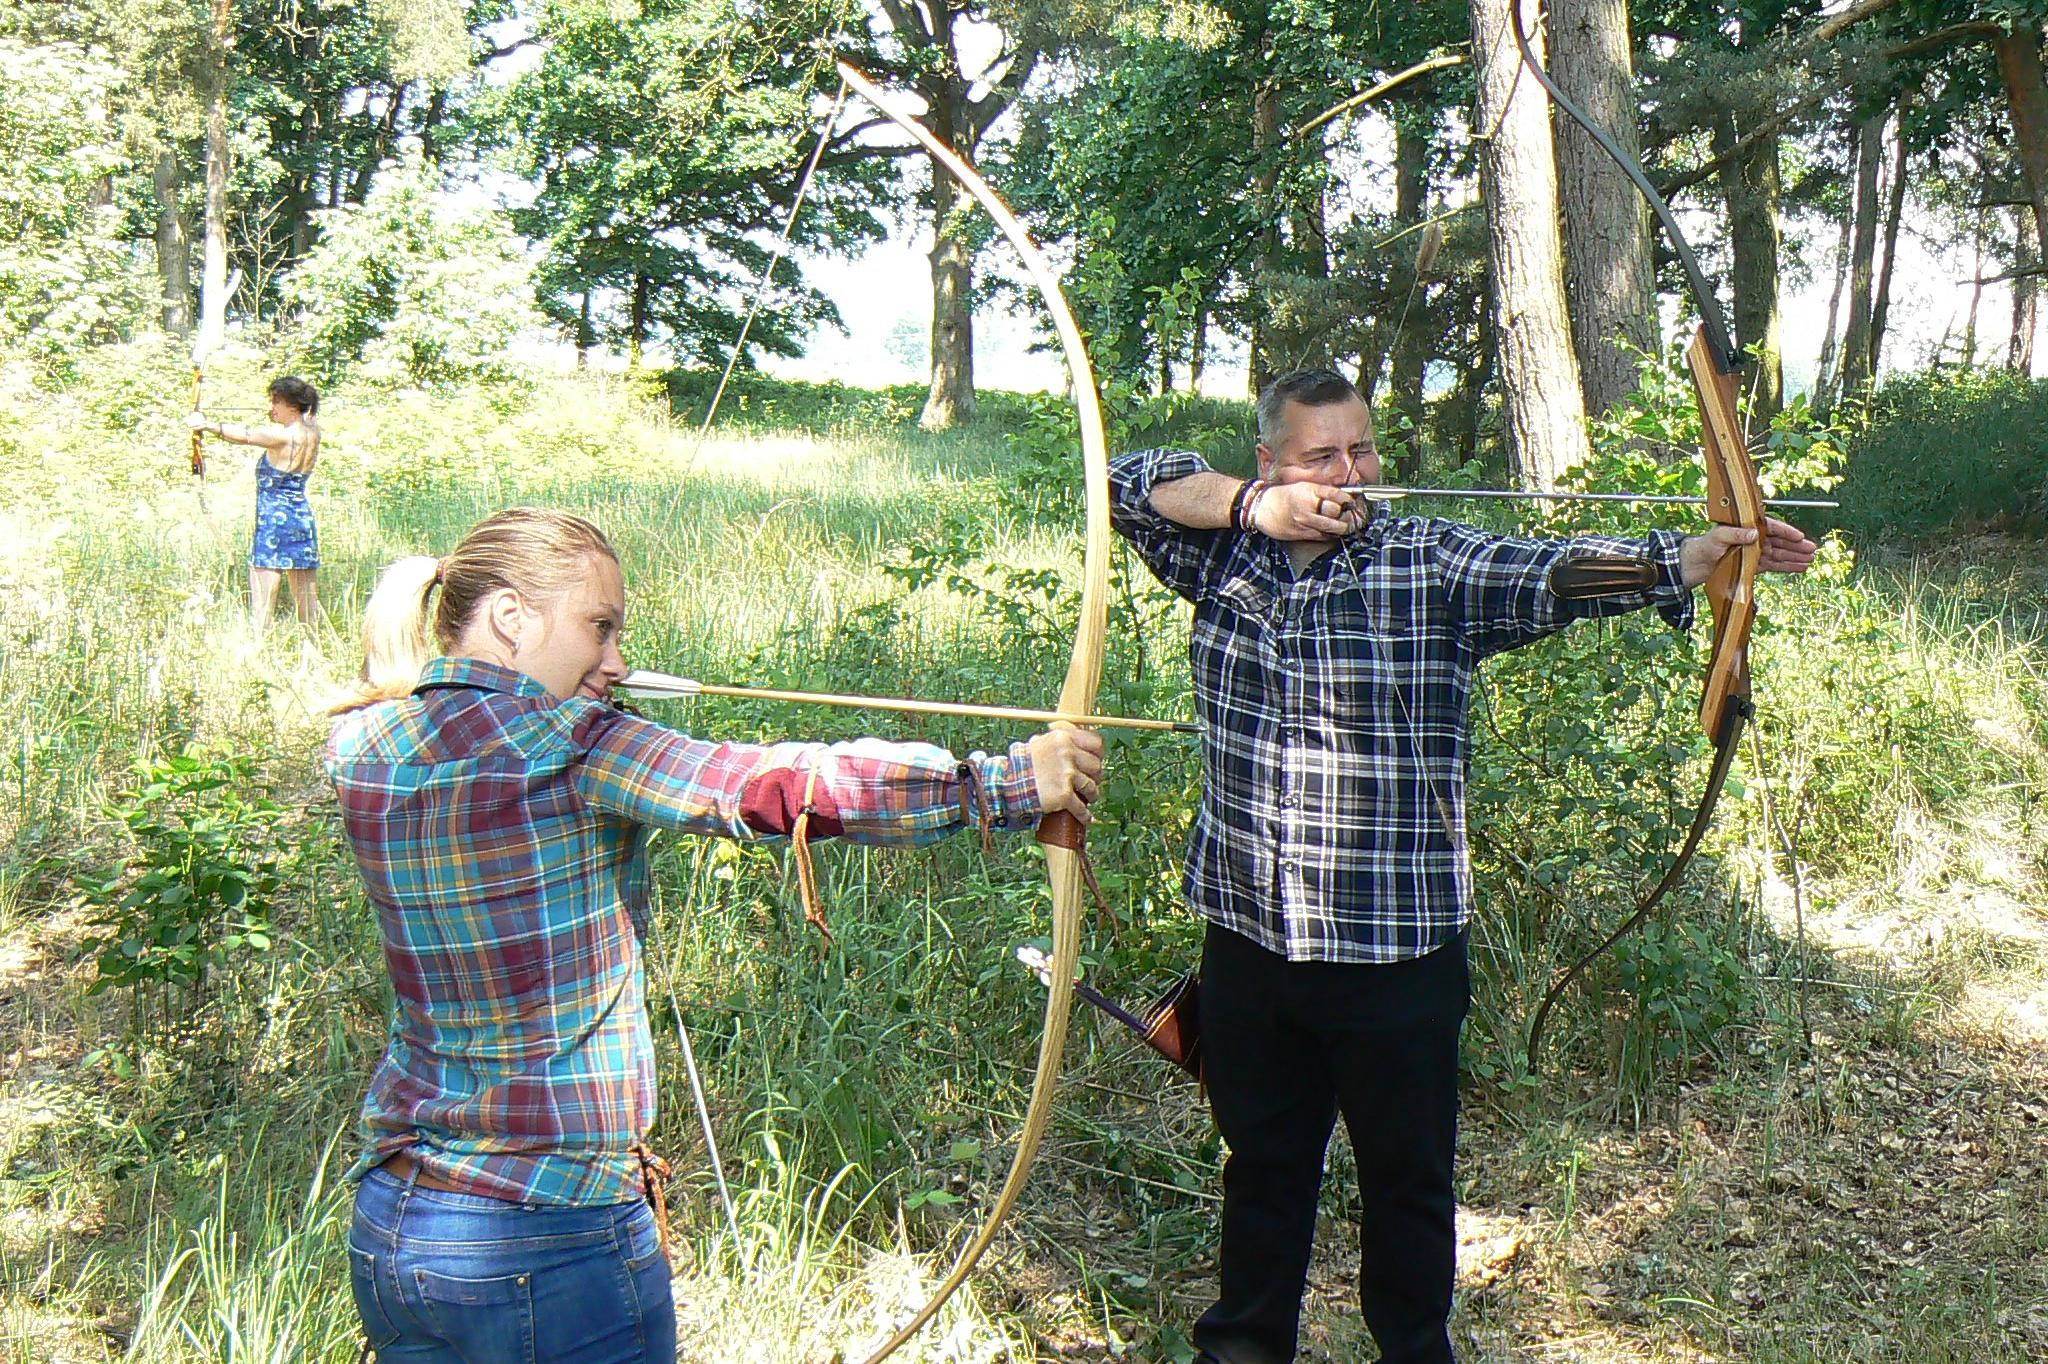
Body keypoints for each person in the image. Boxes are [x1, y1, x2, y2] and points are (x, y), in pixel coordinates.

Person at [1108, 369, 1817, 1364]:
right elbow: (1123, 478)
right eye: (1319, 455)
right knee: (1262, 1169)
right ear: (1270, 461)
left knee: (1407, 1185)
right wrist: (1248, 508)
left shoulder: (1423, 559)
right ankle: (1242, 1348)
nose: (1347, 473)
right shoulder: (1218, 556)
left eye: (1360, 449)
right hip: (1249, 942)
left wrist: (1693, 555)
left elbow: (1551, 571)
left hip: (1394, 956)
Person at [324, 507, 1106, 1364]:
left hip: (396, 1227)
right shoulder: (577, 745)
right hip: (548, 1235)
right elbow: (776, 786)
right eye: (600, 627)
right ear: (511, 617)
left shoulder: (361, 743)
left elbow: (437, 717)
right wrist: (1006, 781)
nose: (617, 660)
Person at [189, 375, 322, 633]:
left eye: (276, 402)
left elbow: (246, 436)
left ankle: (258, 640)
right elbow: (306, 416)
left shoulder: (282, 437)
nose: (271, 408)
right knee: (305, 591)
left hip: (273, 519)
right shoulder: (313, 431)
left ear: (293, 406)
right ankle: (312, 643)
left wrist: (205, 424)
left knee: (264, 589)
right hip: (301, 519)